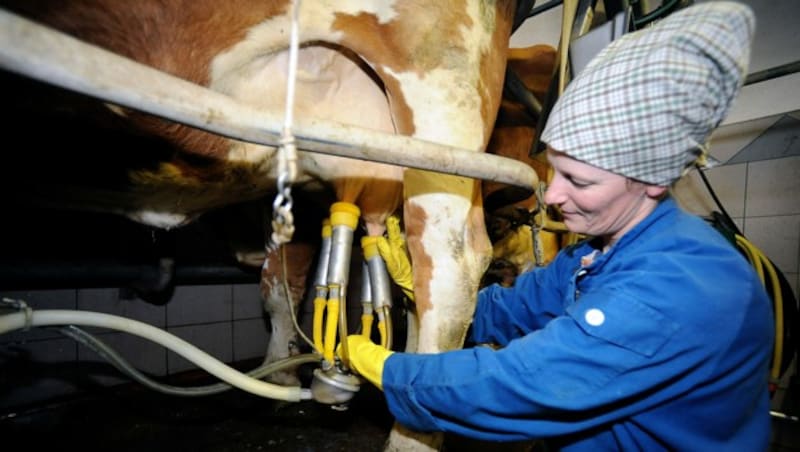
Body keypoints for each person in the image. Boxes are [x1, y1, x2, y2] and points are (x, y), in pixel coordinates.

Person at [341, 2, 775, 450]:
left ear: (653, 182)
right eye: (553, 172)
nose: (552, 195)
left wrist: (387, 370)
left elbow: (516, 387)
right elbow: (502, 312)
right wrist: (427, 289)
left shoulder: (685, 287)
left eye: (580, 181)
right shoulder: (590, 257)